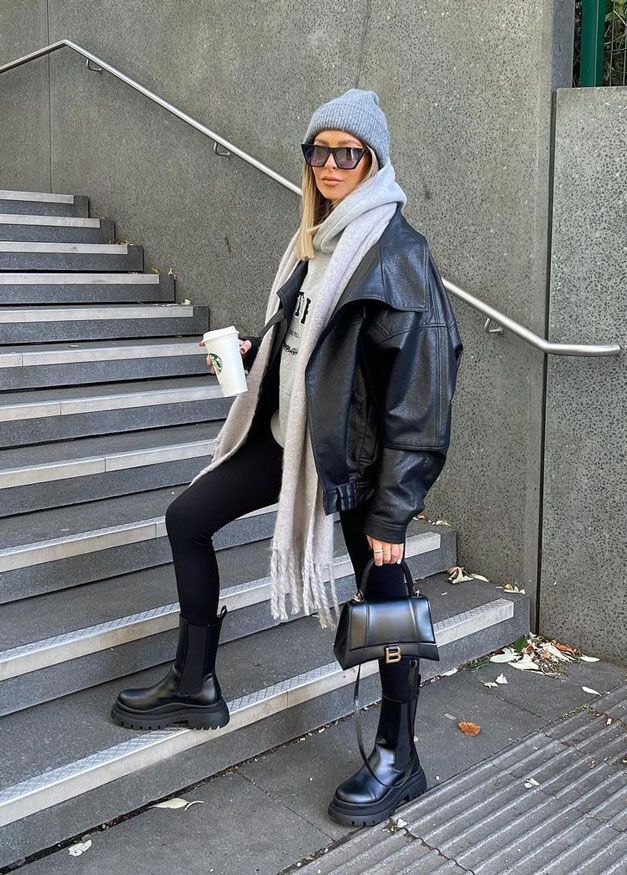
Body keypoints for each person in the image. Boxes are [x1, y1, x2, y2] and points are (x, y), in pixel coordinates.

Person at [111, 88, 463, 827]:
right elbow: (308, 348)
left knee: (387, 606)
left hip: (358, 463)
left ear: (374, 160)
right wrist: (257, 356)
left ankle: (401, 757)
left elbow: (421, 402)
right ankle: (194, 683)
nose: (330, 165)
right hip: (288, 437)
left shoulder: (399, 256)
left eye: (347, 152)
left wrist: (394, 509)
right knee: (187, 518)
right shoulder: (315, 240)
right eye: (319, 150)